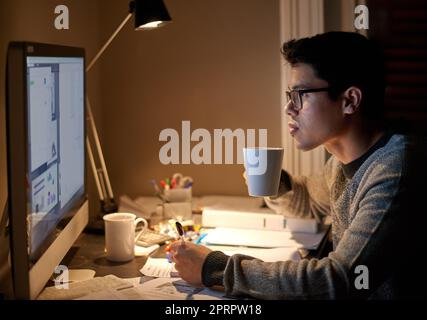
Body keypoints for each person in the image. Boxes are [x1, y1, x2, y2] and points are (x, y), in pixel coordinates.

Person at [169, 31, 427, 299]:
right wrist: (275, 184)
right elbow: (310, 201)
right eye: (289, 95)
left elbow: (337, 279)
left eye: (300, 94)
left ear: (350, 100)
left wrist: (216, 268)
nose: (288, 108)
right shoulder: (342, 161)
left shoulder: (396, 170)